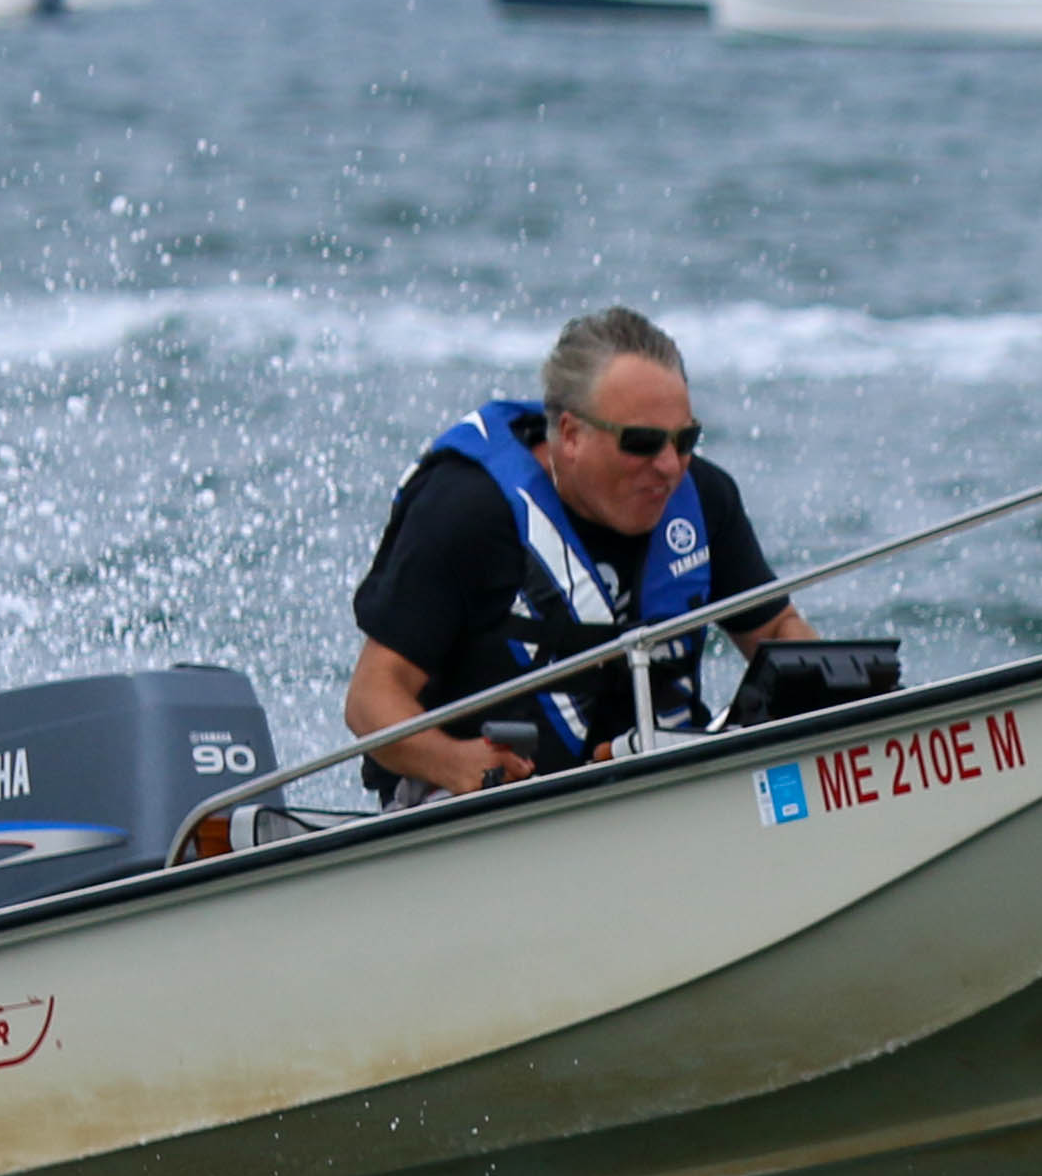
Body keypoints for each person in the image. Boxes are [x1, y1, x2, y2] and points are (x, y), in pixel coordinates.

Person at [347, 306, 815, 804]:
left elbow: (779, 630)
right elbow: (371, 698)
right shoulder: (469, 510)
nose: (668, 466)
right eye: (642, 443)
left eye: (685, 441)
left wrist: (829, 699)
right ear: (570, 435)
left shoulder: (705, 499)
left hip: (663, 798)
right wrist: (457, 764)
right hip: (483, 813)